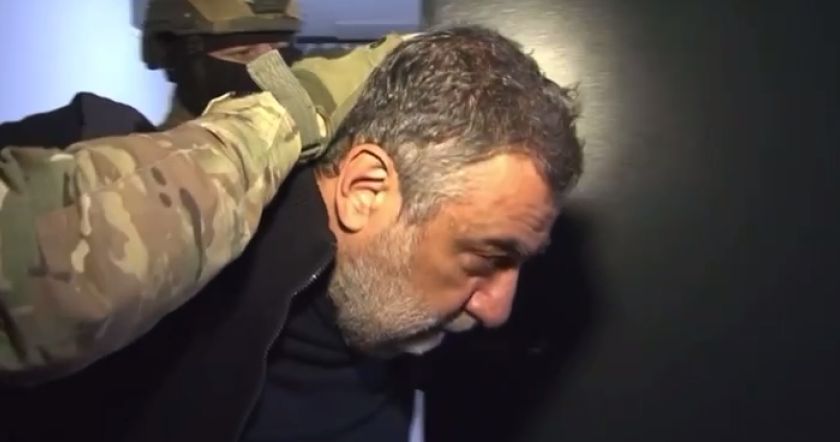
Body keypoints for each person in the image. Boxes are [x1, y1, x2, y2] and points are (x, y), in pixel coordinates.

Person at [0, 26, 584, 442]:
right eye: (487, 256)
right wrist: (283, 113)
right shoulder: (82, 147)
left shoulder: (401, 338)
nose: (497, 309)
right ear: (364, 191)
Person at [0, 0, 304, 147]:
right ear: (173, 54)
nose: (271, 69)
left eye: (281, 49)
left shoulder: (304, 155)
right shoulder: (98, 137)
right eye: (242, 53)